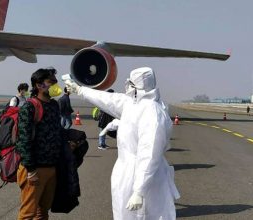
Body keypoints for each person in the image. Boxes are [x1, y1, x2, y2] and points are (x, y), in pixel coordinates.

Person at [65, 67, 180, 220]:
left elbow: (149, 154)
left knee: (144, 215)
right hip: (126, 171)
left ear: (138, 86)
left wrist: (139, 191)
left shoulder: (152, 113)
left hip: (141, 176)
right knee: (123, 213)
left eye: (131, 83)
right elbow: (108, 100)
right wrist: (80, 90)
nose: (127, 86)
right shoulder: (133, 104)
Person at [15, 68, 63, 220]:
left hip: (51, 167)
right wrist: (30, 169)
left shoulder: (55, 105)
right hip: (35, 169)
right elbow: (24, 140)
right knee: (28, 214)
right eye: (51, 82)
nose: (56, 85)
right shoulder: (30, 107)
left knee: (42, 213)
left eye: (55, 81)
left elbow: (56, 131)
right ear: (39, 85)